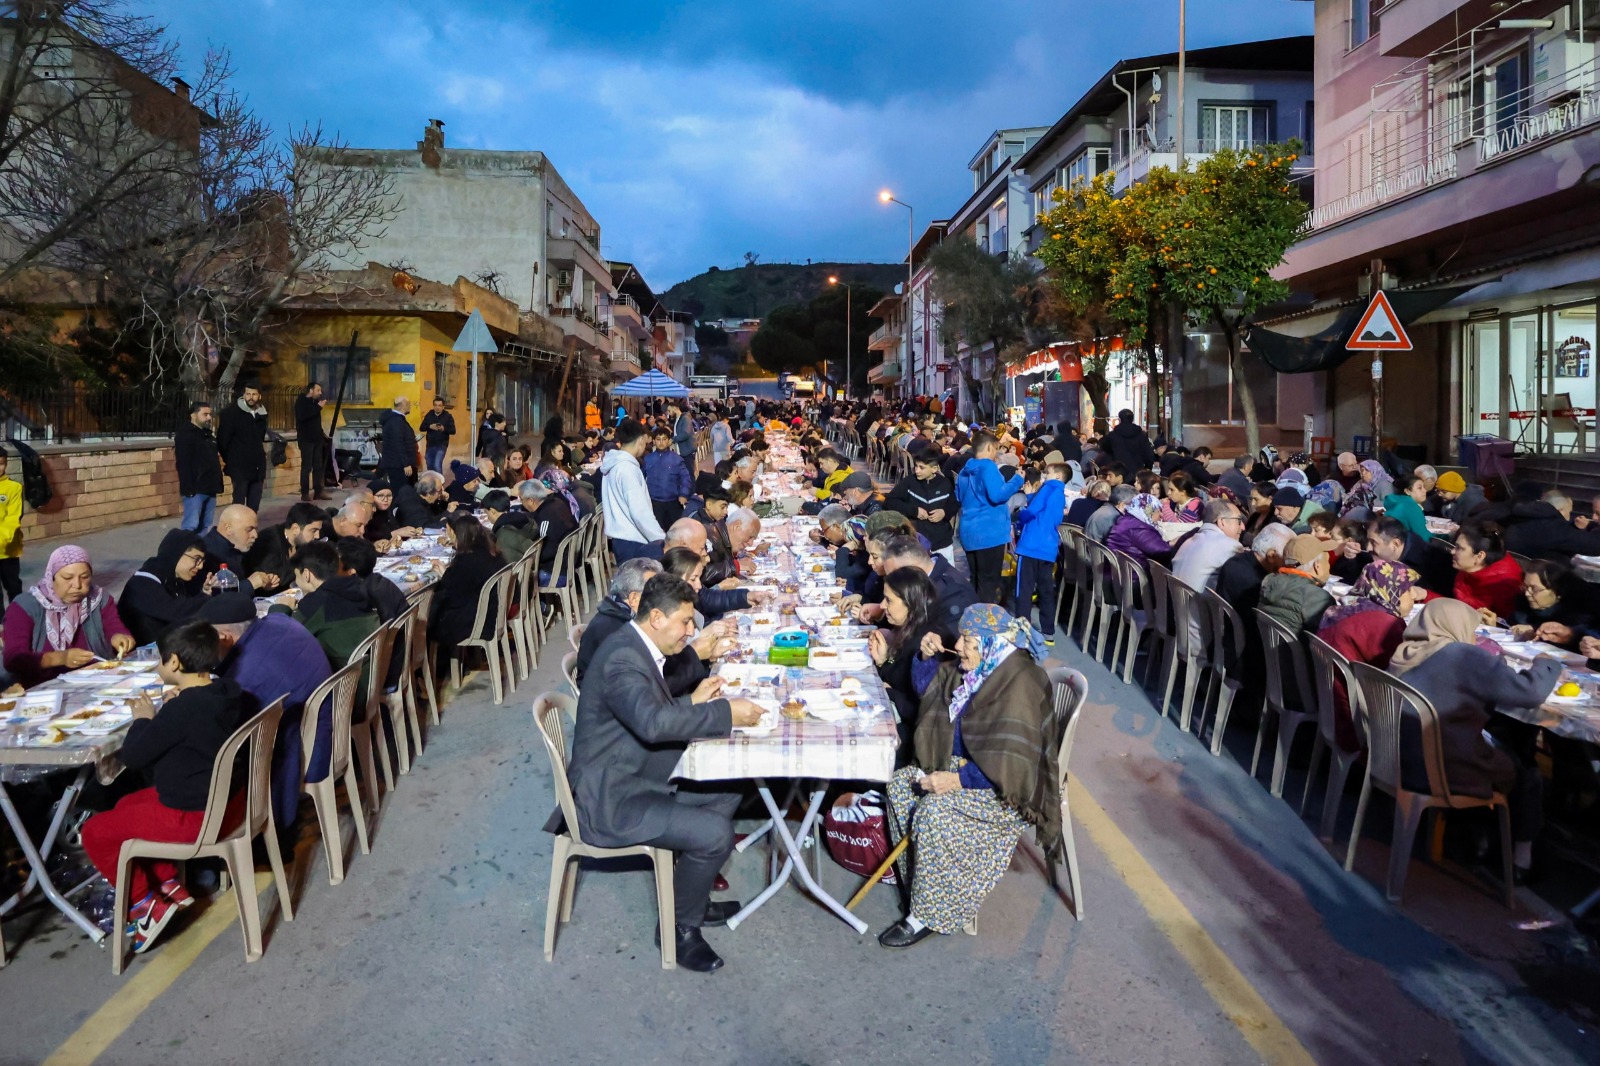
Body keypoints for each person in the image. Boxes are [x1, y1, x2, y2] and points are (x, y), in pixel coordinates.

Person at [551, 574, 762, 973]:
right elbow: (651, 724)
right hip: (611, 798)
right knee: (715, 834)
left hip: (630, 768)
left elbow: (648, 714)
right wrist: (724, 713)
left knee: (729, 787)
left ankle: (689, 896)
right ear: (655, 618)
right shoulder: (623, 659)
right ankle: (679, 929)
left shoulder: (635, 646)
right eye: (684, 622)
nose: (690, 631)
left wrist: (691, 702)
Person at [880, 603, 1059, 948]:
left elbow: (1013, 764)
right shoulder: (981, 669)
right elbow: (927, 692)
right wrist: (924, 656)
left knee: (934, 813)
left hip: (1003, 790)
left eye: (966, 639)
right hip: (966, 769)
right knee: (901, 785)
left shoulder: (1019, 683)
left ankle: (929, 915)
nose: (958, 645)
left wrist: (957, 780)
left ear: (988, 643)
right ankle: (921, 883)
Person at [79, 621, 246, 953]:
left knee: (95, 831)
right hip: (232, 803)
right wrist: (172, 708)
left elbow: (134, 755)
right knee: (127, 805)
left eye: (160, 660)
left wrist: (144, 718)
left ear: (174, 664)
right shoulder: (228, 692)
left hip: (196, 817)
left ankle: (143, 903)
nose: (159, 666)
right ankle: (168, 886)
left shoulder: (182, 709)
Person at [1389, 598, 1557, 882]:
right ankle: (1521, 859)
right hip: (1444, 768)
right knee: (1526, 771)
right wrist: (1547, 664)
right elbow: (1529, 693)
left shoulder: (1405, 651)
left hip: (1399, 758)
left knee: (1500, 740)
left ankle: (1477, 832)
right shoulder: (1462, 655)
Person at [199, 593, 331, 829]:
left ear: (224, 637)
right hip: (322, 728)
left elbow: (227, 736)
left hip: (305, 750)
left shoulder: (246, 678)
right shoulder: (281, 623)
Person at [1316, 560, 1422, 750]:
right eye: (1407, 590)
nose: (1413, 596)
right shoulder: (1383, 624)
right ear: (1390, 591)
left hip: (1330, 706)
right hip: (1357, 720)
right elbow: (1402, 675)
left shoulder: (1344, 607)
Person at [4, 545, 136, 688]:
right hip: (44, 689)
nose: (77, 585)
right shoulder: (24, 607)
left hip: (99, 681)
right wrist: (60, 658)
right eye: (67, 577)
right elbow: (13, 658)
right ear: (51, 577)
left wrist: (120, 637)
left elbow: (114, 626)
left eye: (85, 577)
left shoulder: (98, 599)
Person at [269, 541, 379, 672]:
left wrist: (280, 610)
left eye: (296, 576)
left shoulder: (317, 603)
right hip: (374, 673)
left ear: (306, 574)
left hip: (345, 687)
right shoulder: (360, 587)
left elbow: (276, 640)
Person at [869, 565, 943, 735]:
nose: (881, 605)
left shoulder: (925, 644)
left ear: (910, 602)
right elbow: (896, 677)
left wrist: (888, 691)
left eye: (888, 600)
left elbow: (920, 710)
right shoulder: (909, 630)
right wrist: (882, 661)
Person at [955, 431, 1024, 604]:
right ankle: (984, 625)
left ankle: (973, 620)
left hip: (969, 532)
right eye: (995, 449)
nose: (996, 453)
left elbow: (958, 496)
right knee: (988, 583)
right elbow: (997, 495)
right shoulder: (988, 467)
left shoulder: (966, 469)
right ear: (988, 447)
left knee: (976, 580)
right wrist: (1017, 480)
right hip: (989, 533)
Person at [575, 558, 664, 682]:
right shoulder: (614, 631)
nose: (663, 600)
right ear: (634, 599)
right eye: (656, 593)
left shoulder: (618, 612)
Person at [118, 530, 212, 647]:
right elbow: (178, 612)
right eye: (196, 559)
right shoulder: (143, 582)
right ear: (176, 553)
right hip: (138, 656)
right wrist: (211, 600)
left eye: (202, 561)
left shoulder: (174, 580)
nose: (200, 566)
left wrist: (205, 593)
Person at [428, 512, 503, 648]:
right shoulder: (492, 552)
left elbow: (454, 594)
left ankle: (437, 666)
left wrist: (445, 575)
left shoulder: (466, 560)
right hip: (493, 613)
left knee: (428, 616)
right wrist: (447, 573)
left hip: (477, 622)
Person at [1013, 460, 1067, 644]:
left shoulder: (1048, 487)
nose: (1045, 476)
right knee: (1046, 590)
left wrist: (1021, 515)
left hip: (1031, 546)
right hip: (1048, 548)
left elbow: (1034, 510)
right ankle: (1048, 631)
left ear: (1058, 476)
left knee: (1024, 589)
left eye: (1048, 472)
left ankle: (1022, 629)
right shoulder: (1061, 494)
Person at [601, 420, 667, 562]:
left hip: (621, 537)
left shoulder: (614, 463)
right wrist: (661, 539)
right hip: (633, 539)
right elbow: (639, 512)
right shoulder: (626, 469)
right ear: (641, 440)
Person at [884, 451, 956, 562]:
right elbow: (890, 501)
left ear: (934, 469)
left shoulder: (945, 484)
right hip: (915, 540)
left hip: (941, 541)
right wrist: (914, 511)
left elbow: (955, 503)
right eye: (916, 466)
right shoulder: (909, 482)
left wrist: (944, 512)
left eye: (922, 468)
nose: (917, 471)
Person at [1258, 533, 1335, 634]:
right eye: (1327, 561)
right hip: (1296, 649)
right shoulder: (1317, 597)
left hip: (1266, 647)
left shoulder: (1268, 581)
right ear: (1318, 566)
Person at [243, 501, 328, 590]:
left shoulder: (302, 542)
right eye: (313, 531)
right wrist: (294, 563)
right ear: (295, 529)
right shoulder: (267, 541)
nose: (317, 536)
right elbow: (276, 579)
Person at [1450, 521, 1523, 620]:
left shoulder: (1503, 586)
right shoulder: (1468, 569)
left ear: (1479, 556)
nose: (1452, 551)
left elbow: (1507, 626)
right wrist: (1426, 595)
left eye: (1459, 548)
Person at [1171, 498, 1247, 591]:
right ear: (1221, 522)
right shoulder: (1230, 546)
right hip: (1201, 604)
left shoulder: (1188, 542)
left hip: (1176, 603)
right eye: (1238, 520)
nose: (1243, 527)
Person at [1503, 489, 1600, 561]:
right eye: (1569, 512)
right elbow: (1594, 545)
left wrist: (1575, 527)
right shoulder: (1550, 527)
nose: (1594, 517)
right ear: (1561, 511)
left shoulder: (1528, 517)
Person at [216, 383, 269, 509]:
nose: (251, 397)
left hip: (257, 466)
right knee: (239, 503)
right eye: (248, 394)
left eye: (254, 394)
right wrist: (232, 459)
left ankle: (250, 527)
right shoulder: (231, 413)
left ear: (259, 396)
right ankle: (237, 528)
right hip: (239, 466)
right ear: (244, 395)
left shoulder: (262, 414)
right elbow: (222, 440)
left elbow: (259, 439)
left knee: (254, 503)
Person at [174, 401, 223, 533]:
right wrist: (188, 488)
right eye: (205, 414)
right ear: (193, 415)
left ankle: (200, 552)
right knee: (191, 525)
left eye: (210, 414)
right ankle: (186, 551)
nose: (209, 418)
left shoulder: (208, 435)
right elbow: (183, 463)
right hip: (195, 489)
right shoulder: (185, 435)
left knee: (206, 525)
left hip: (210, 487)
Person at [1105, 484, 1174, 569]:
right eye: (1158, 510)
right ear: (1149, 511)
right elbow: (1162, 552)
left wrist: (1170, 543)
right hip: (1134, 576)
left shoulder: (1128, 520)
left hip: (1120, 572)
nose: (1161, 514)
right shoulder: (1138, 528)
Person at [643, 424, 694, 531]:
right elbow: (640, 479)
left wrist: (683, 494)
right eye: (658, 439)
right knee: (656, 531)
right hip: (654, 502)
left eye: (664, 439)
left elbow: (685, 478)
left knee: (674, 531)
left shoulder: (676, 459)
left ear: (669, 441)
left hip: (673, 502)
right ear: (653, 441)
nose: (661, 442)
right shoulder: (648, 459)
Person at [295, 382, 330, 502]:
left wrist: (322, 435)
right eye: (318, 390)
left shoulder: (314, 403)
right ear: (311, 390)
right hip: (306, 440)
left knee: (318, 466)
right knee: (307, 467)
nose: (320, 393)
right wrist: (319, 407)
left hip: (317, 439)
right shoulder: (301, 402)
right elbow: (303, 417)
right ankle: (305, 493)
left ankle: (318, 491)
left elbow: (316, 422)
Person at [376, 396, 418, 485]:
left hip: (398, 464)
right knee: (401, 491)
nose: (410, 406)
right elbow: (398, 443)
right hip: (398, 466)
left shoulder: (396, 419)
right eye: (409, 404)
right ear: (403, 405)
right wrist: (405, 464)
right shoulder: (395, 421)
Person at [1100, 408, 1156, 473]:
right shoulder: (1141, 435)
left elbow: (1105, 449)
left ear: (1120, 419)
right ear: (1132, 419)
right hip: (1137, 472)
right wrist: (1148, 467)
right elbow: (1149, 454)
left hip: (1118, 472)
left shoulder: (1112, 435)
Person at [1382, 473, 1431, 541]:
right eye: (1420, 488)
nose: (1425, 490)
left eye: (1424, 487)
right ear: (1407, 491)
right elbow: (1423, 538)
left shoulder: (1395, 503)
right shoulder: (1411, 507)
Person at [422, 398, 455, 474]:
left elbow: (453, 431)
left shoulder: (448, 416)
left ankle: (439, 484)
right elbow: (422, 427)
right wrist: (429, 427)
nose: (437, 407)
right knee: (429, 464)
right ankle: (432, 482)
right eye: (435, 405)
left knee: (437, 464)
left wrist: (444, 429)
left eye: (439, 405)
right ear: (433, 406)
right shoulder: (429, 415)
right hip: (430, 444)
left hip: (442, 444)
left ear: (443, 407)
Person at [669, 399, 696, 474]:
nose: (668, 413)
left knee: (689, 475)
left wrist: (673, 440)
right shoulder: (678, 419)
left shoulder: (685, 419)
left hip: (687, 452)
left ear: (675, 408)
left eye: (669, 410)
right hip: (682, 452)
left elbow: (685, 434)